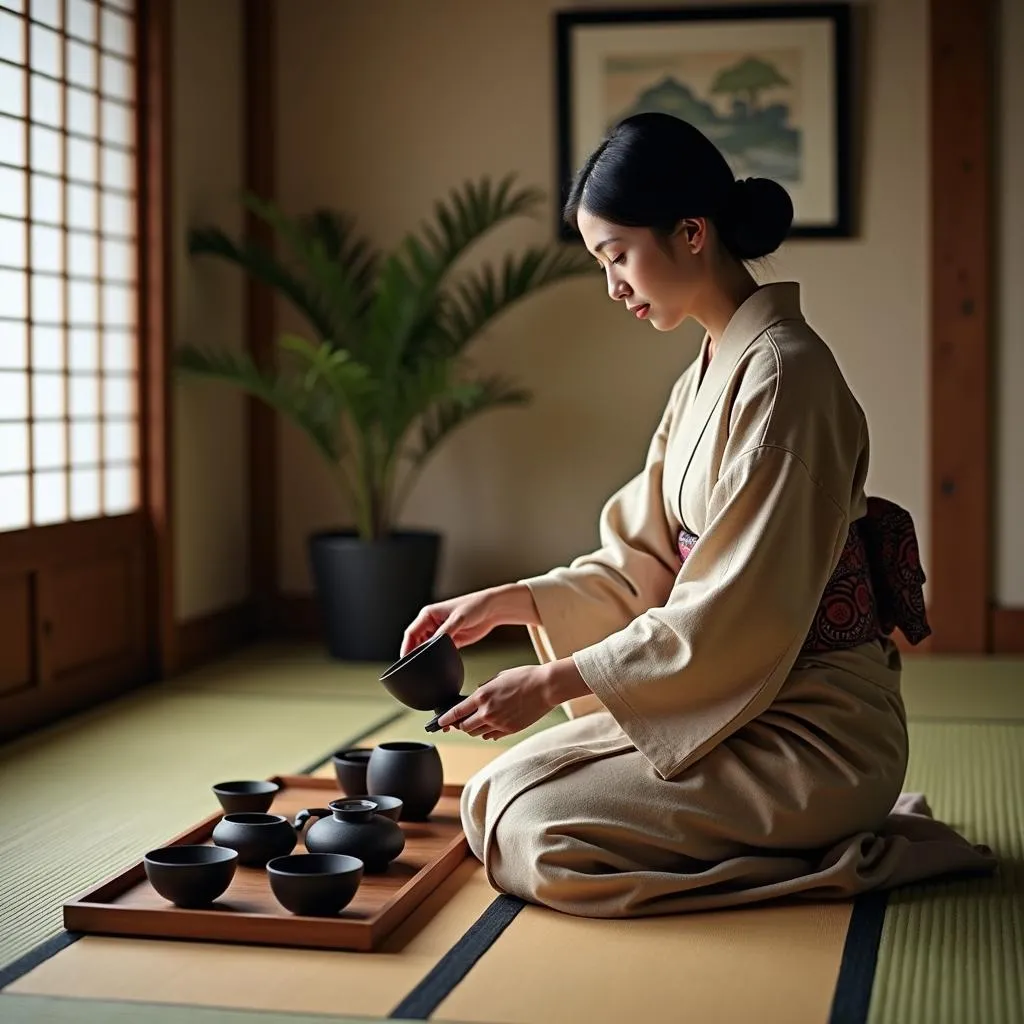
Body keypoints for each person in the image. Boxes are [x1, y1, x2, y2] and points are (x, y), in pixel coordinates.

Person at [401, 113, 994, 918]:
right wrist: (514, 602)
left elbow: (728, 614)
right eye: (599, 262)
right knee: (497, 797)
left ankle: (847, 854)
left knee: (538, 834)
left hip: (811, 730)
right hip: (730, 699)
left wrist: (551, 682)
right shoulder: (709, 371)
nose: (612, 285)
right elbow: (640, 560)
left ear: (690, 233)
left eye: (617, 256)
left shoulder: (787, 378)